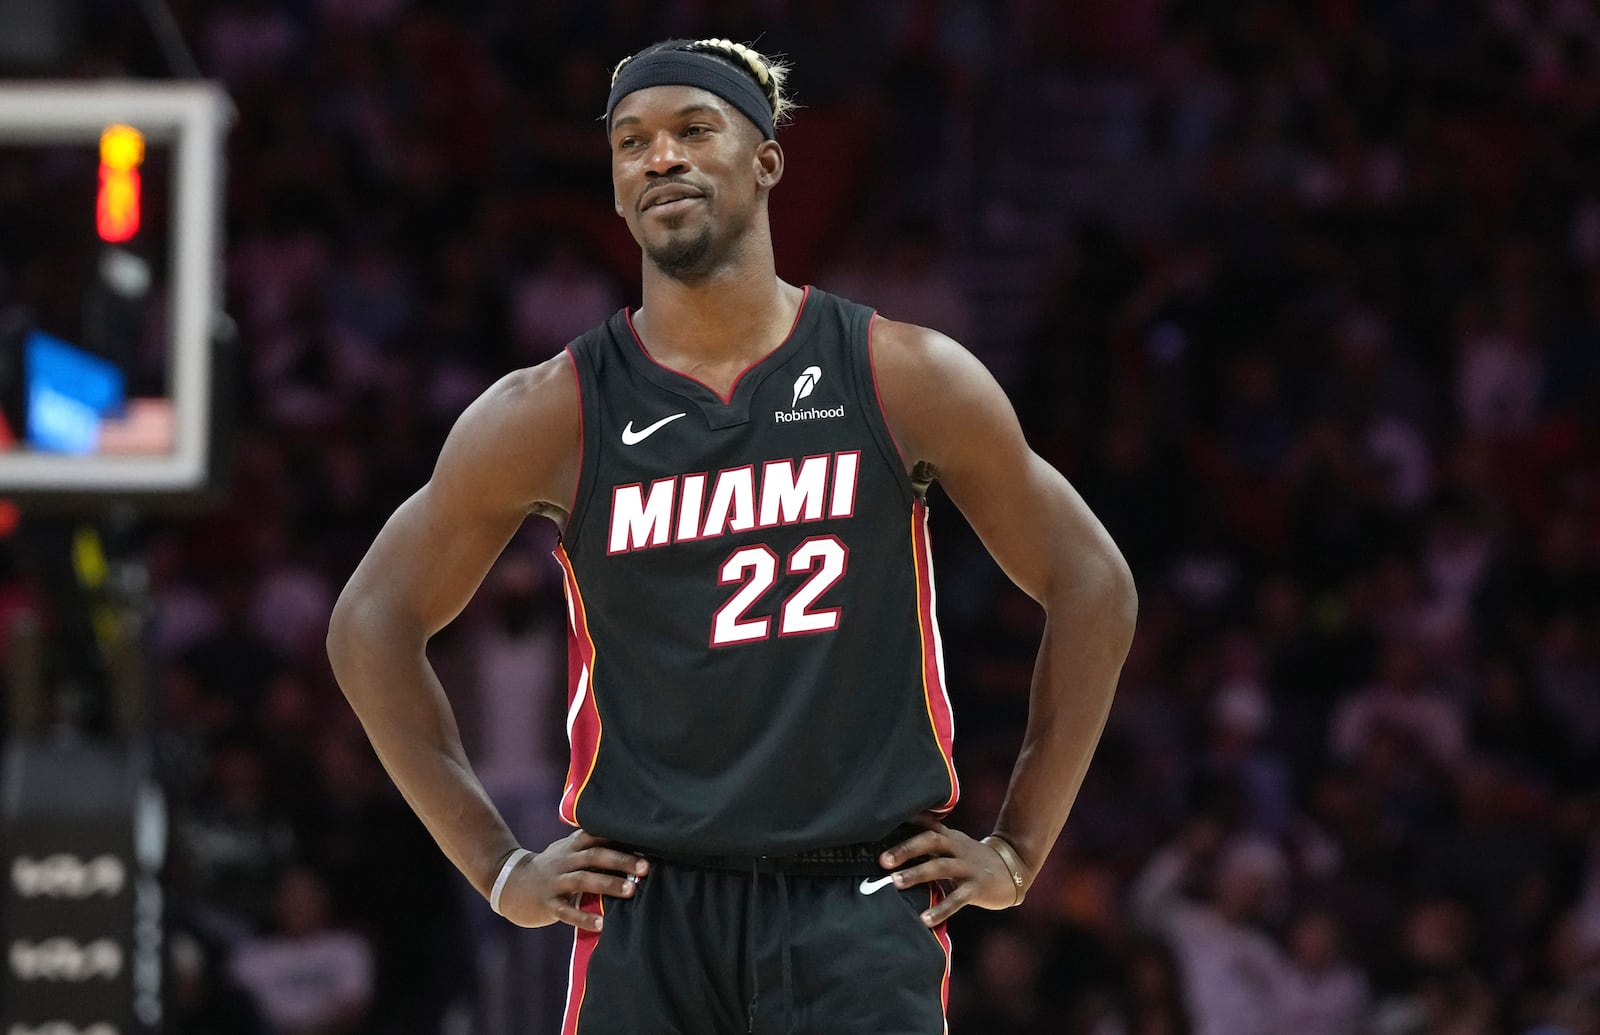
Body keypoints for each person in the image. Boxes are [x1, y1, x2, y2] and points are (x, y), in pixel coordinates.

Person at [326, 36, 1137, 1034]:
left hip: (856, 897)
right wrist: (497, 866)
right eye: (630, 143)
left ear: (766, 160)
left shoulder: (903, 375)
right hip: (646, 904)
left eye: (691, 130)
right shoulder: (549, 411)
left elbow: (1092, 581)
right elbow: (369, 621)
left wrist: (1018, 848)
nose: (657, 157)